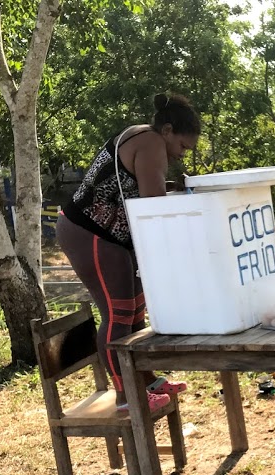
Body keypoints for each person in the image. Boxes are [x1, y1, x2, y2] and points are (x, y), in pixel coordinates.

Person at [57, 93, 200, 411]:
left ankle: (146, 380)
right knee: (118, 314)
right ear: (167, 130)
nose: (181, 154)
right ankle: (127, 396)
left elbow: (145, 191)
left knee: (135, 313)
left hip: (111, 237)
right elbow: (153, 205)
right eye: (182, 146)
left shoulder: (147, 138)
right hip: (90, 234)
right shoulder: (151, 143)